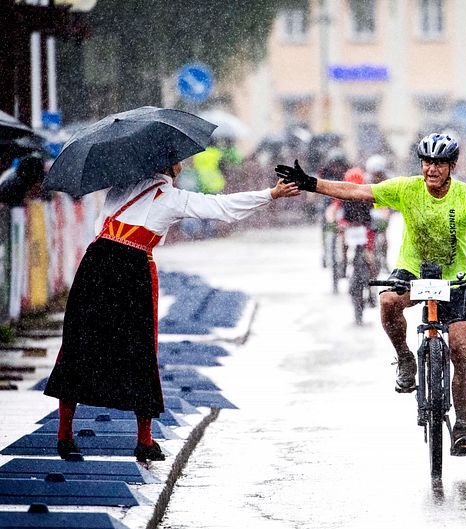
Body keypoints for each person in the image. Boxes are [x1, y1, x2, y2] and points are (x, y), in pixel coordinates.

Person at [44, 161, 299, 461]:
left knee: (78, 346)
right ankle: (144, 440)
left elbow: (101, 225)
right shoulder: (171, 197)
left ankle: (64, 436)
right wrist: (271, 194)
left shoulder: (121, 186)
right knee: (141, 353)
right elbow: (223, 208)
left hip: (95, 264)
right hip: (133, 271)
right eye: (178, 161)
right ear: (171, 167)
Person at [276, 133, 466, 456]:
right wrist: (311, 183)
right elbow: (356, 191)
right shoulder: (406, 189)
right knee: (387, 302)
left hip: (455, 279)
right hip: (413, 269)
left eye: (439, 163)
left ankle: (463, 425)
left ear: (451, 166)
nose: (431, 169)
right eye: (426, 162)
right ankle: (407, 359)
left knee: (462, 351)